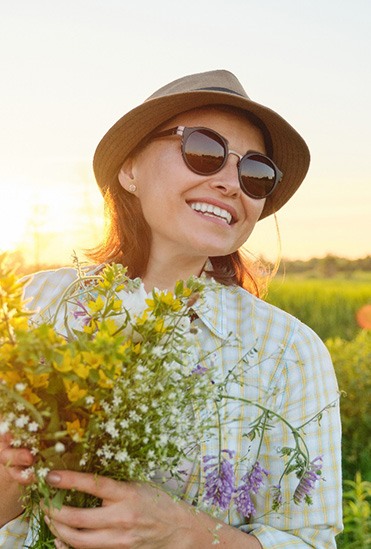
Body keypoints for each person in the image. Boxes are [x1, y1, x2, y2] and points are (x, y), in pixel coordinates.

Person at [0, 69, 342, 548]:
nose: (231, 184)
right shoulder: (33, 307)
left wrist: (187, 534)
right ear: (130, 169)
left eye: (256, 174)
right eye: (204, 151)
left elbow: (311, 541)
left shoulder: (288, 351)